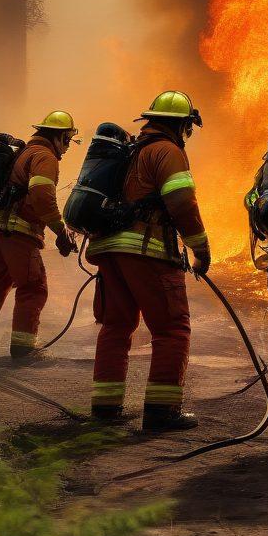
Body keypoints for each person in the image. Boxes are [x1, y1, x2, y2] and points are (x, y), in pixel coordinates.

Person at [86, 91, 211, 429]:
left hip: (109, 248)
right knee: (171, 328)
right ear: (181, 124)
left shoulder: (129, 150)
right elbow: (182, 203)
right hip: (145, 250)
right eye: (188, 127)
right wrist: (200, 248)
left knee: (116, 326)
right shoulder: (167, 150)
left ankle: (105, 408)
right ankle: (162, 411)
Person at [0, 111, 78, 361]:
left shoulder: (21, 153)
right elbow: (42, 196)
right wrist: (60, 230)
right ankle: (23, 349)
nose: (66, 148)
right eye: (67, 141)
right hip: (18, 231)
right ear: (58, 137)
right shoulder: (44, 156)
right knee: (33, 287)